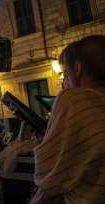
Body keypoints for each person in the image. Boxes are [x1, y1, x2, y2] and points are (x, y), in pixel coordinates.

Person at [31, 35, 105, 203]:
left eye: (65, 73)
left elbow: (47, 176)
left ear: (77, 69)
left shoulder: (75, 98)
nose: (64, 81)